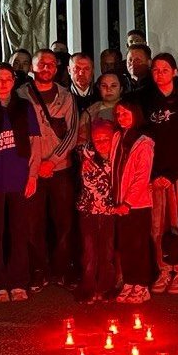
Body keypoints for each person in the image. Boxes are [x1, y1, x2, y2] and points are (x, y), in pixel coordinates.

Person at [0, 63, 40, 302]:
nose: (3, 83)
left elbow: (35, 143)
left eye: (8, 78)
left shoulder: (25, 107)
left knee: (19, 231)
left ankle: (18, 281)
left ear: (14, 81)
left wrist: (33, 175)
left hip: (20, 178)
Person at [19, 49, 79, 290]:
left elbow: (72, 132)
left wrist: (52, 161)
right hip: (30, 170)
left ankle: (62, 270)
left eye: (51, 64)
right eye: (41, 64)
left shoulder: (66, 97)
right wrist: (34, 165)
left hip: (60, 168)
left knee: (64, 221)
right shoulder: (21, 95)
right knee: (33, 223)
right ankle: (38, 269)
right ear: (32, 67)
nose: (46, 68)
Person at [142, 53, 178, 293]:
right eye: (155, 69)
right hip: (155, 175)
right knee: (157, 226)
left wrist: (172, 173)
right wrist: (155, 173)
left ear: (175, 71)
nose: (159, 74)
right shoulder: (147, 100)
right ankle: (164, 269)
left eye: (165, 69)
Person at [112, 100, 155, 303]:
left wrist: (127, 202)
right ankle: (129, 281)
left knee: (139, 246)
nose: (121, 118)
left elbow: (142, 176)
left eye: (125, 113)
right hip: (120, 203)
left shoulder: (144, 142)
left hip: (137, 204)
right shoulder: (117, 138)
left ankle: (142, 284)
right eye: (118, 114)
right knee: (125, 245)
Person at [77, 120, 119, 303]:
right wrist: (84, 157)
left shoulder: (119, 155)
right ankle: (88, 288)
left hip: (110, 212)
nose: (101, 143)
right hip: (89, 210)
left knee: (107, 251)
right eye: (97, 139)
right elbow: (91, 184)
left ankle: (106, 287)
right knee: (89, 251)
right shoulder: (88, 154)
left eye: (105, 139)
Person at [79, 72, 122, 144]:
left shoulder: (131, 110)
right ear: (99, 88)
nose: (108, 89)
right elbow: (82, 142)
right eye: (104, 86)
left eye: (113, 86)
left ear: (121, 88)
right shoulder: (89, 114)